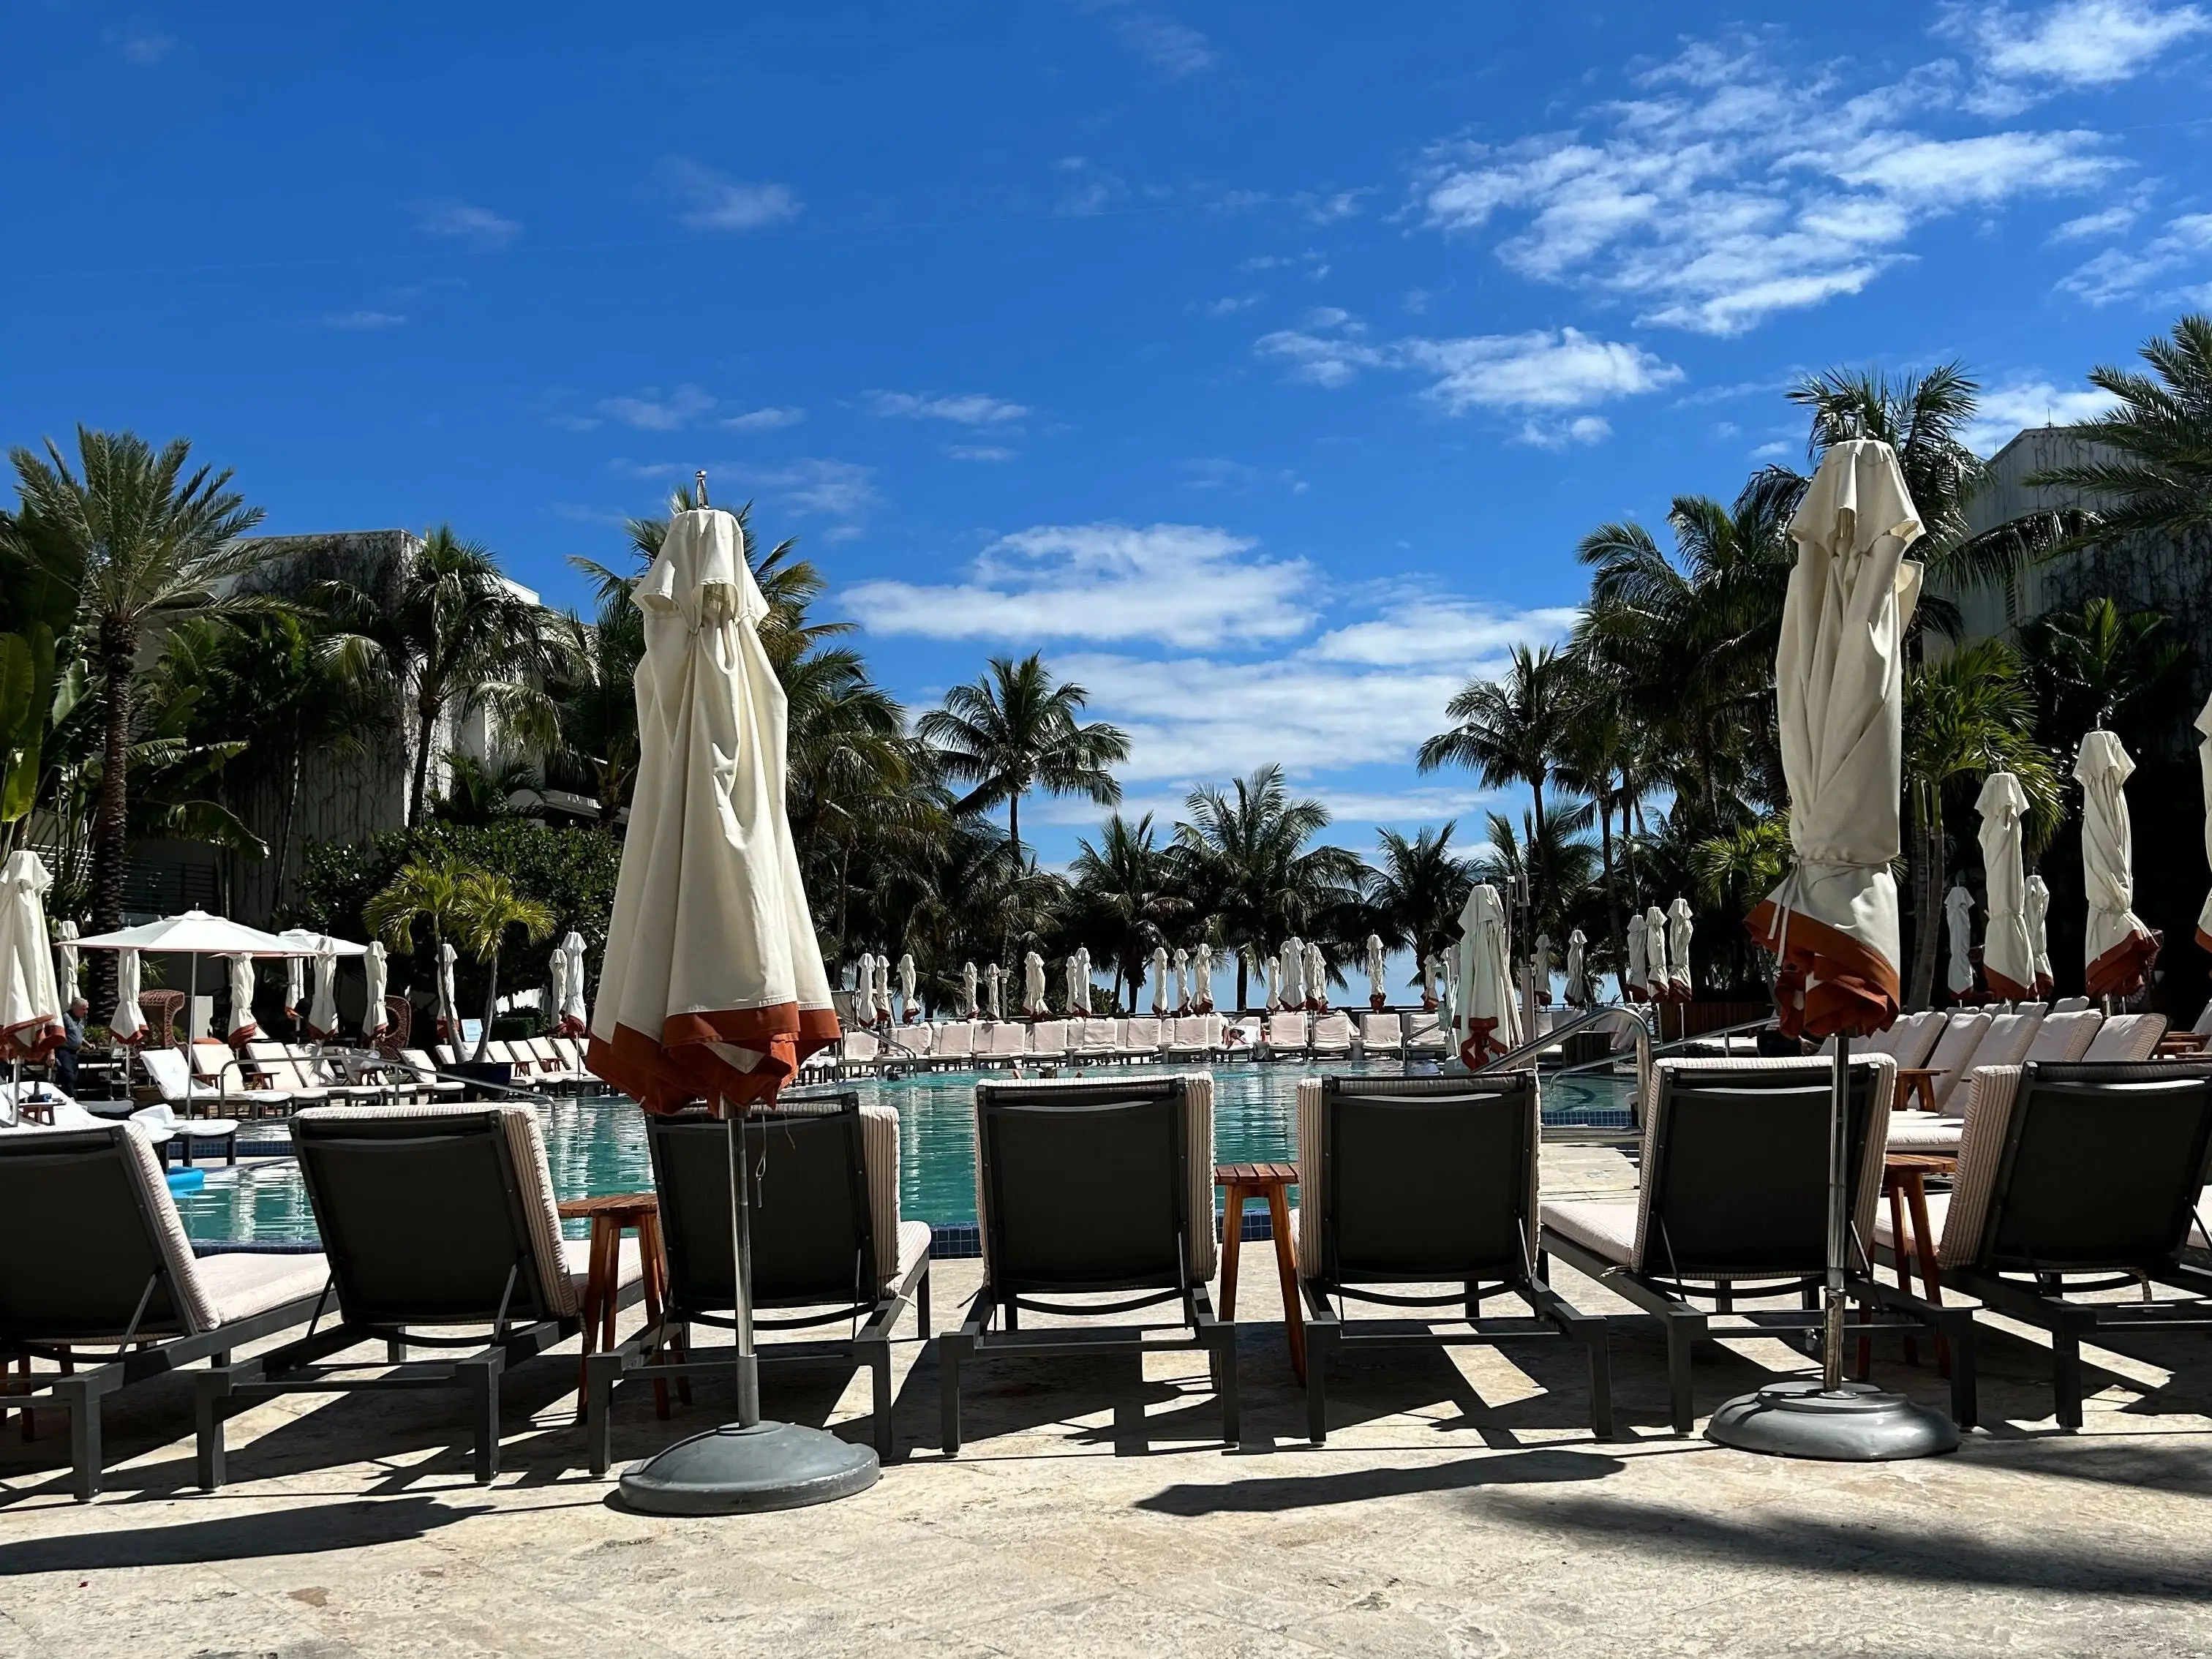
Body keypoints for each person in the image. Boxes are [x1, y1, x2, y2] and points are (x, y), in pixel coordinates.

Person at [53, 996, 86, 1096]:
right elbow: (58, 1034)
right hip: (64, 1051)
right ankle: (71, 1097)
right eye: (84, 1009)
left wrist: (87, 1044)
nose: (86, 1012)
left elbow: (78, 1036)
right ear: (76, 1008)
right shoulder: (65, 1018)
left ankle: (67, 1095)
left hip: (74, 1052)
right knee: (68, 1075)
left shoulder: (80, 1020)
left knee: (74, 1077)